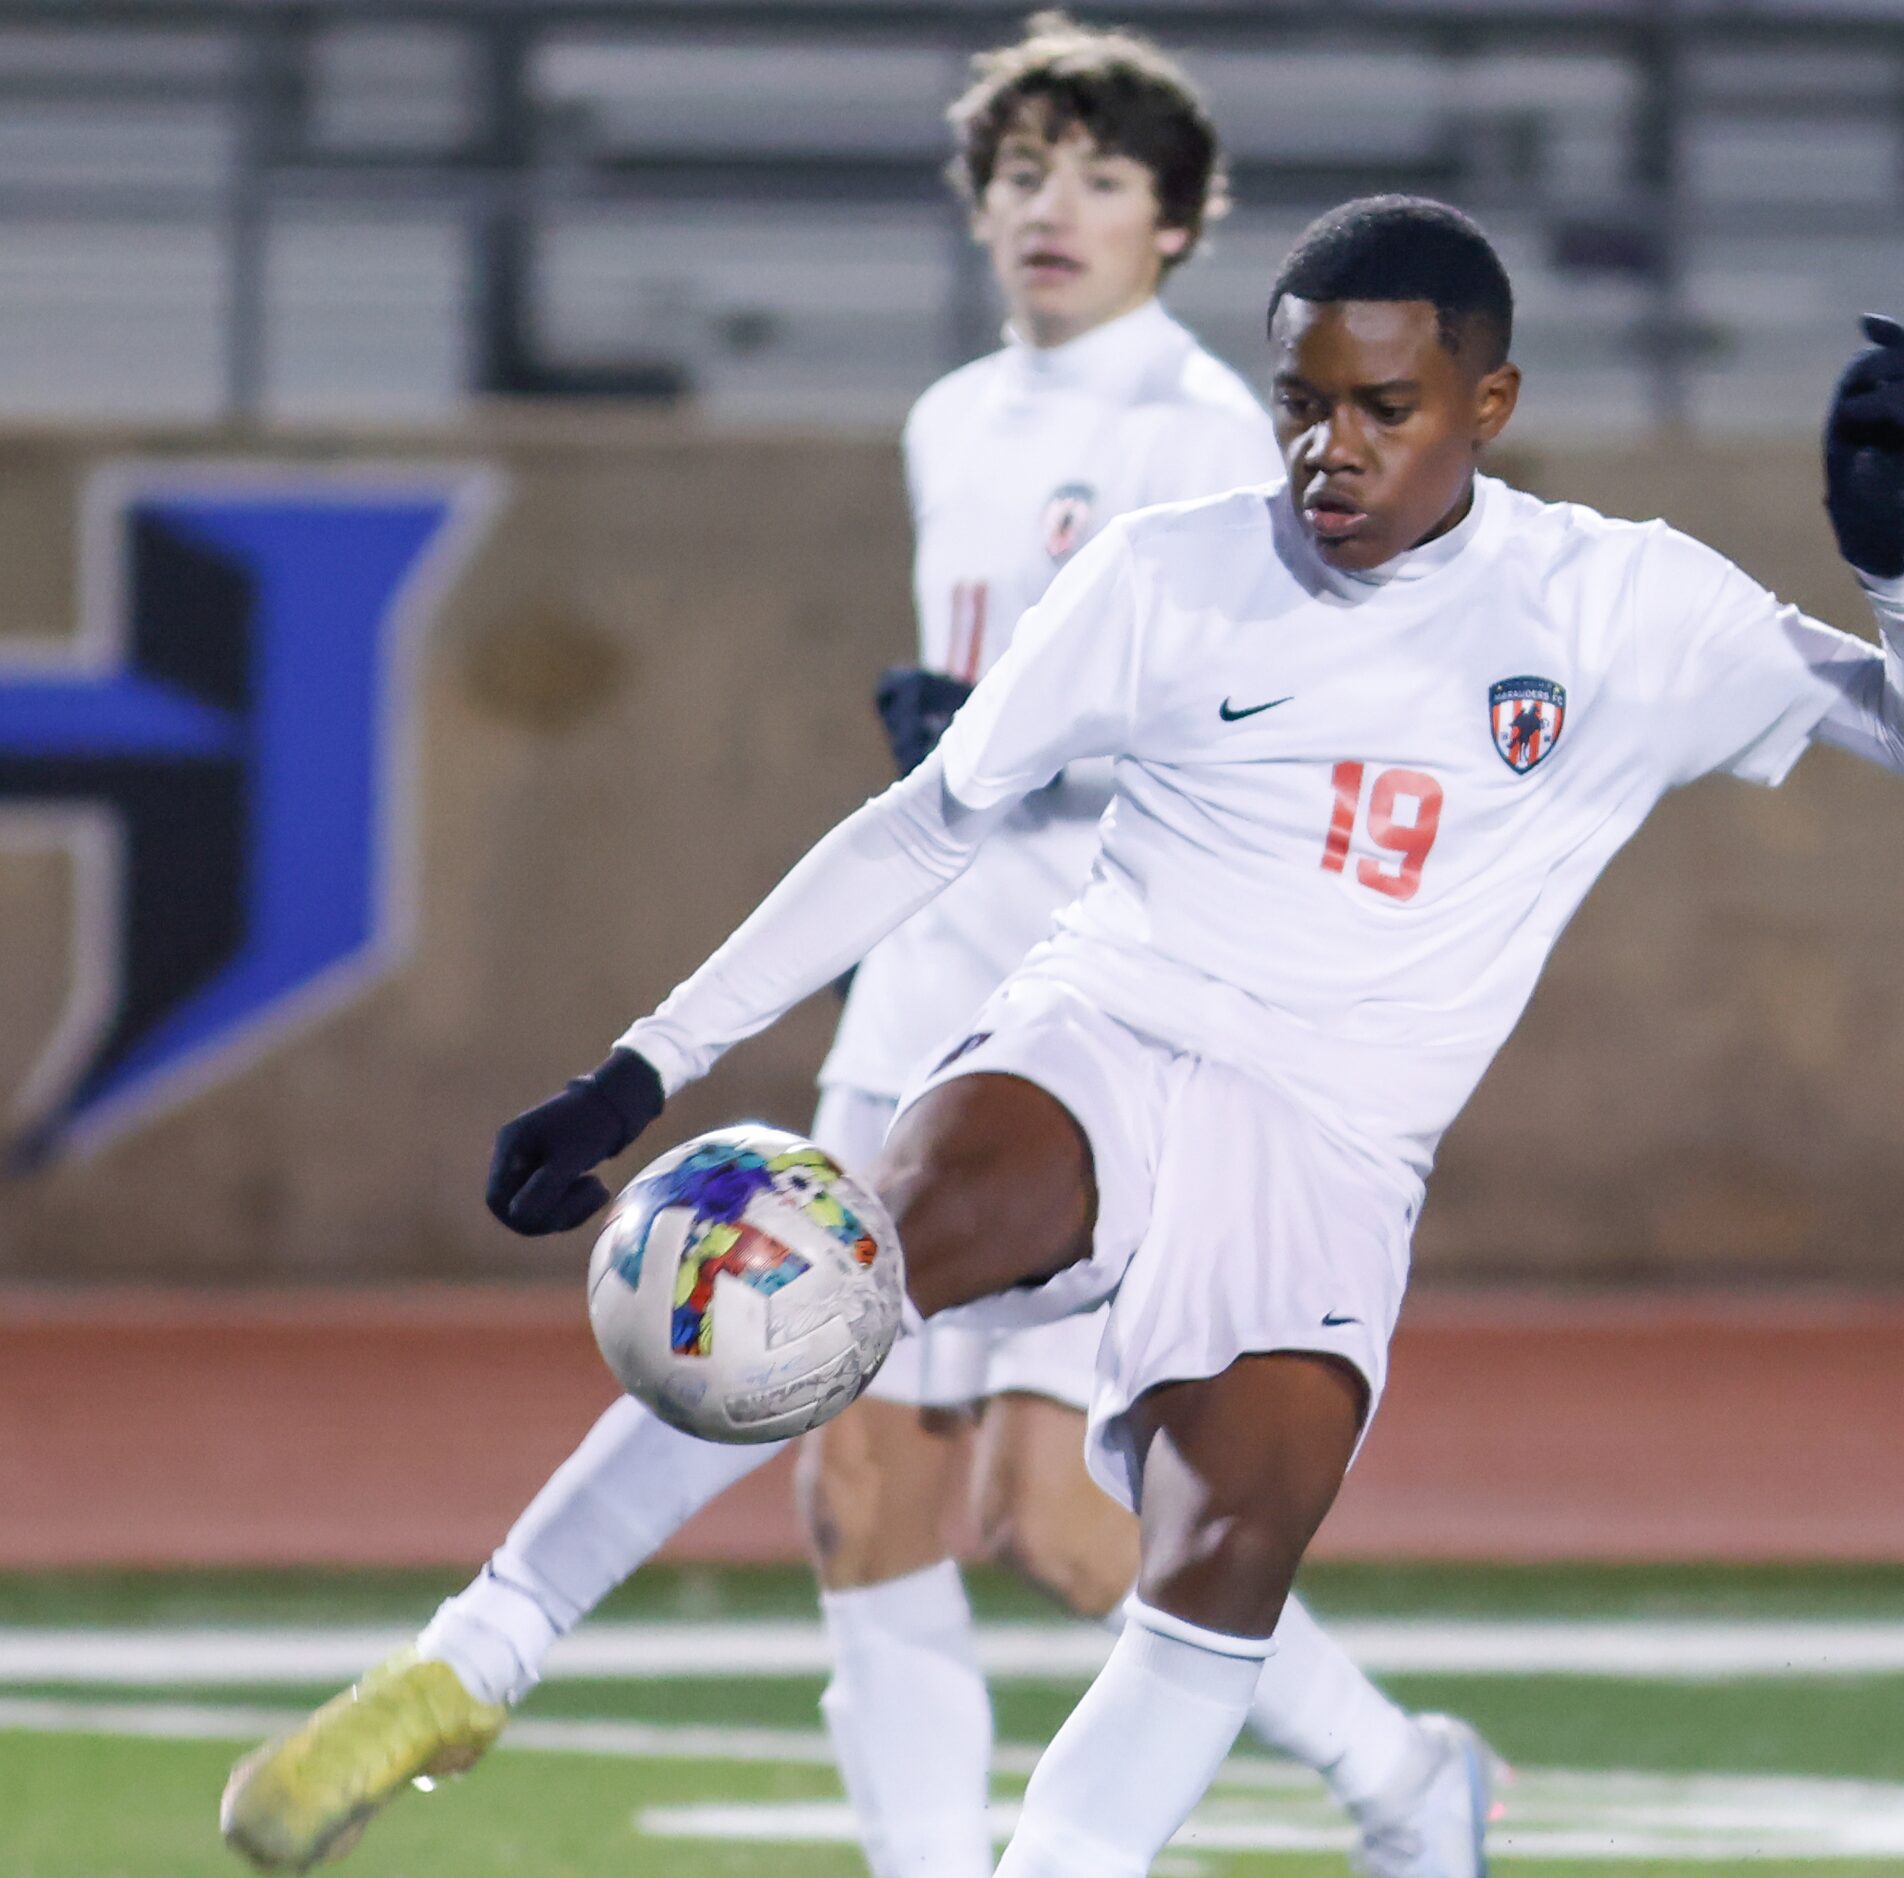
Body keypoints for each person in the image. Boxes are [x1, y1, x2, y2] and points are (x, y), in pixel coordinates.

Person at [473, 200, 1904, 1873]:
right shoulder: (1167, 572)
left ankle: (1355, 1811)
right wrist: (643, 1062)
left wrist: (1896, 560)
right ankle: (488, 1638)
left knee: (1215, 1575)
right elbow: (926, 825)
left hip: (1335, 1151)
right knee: (833, 1267)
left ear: (1488, 405)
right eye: (1302, 403)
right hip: (1109, 1035)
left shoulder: (1623, 607)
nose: (1327, 452)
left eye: (1384, 409)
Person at [219, 26, 1492, 1878]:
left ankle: (1398, 1776)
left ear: (1179, 225)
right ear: (978, 207)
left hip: (1105, 1030)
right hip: (922, 987)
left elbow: (1273, 741)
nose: (1056, 210)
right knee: (850, 1468)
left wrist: (1017, 737)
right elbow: (951, 774)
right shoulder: (954, 421)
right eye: (1025, 173)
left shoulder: (1214, 434)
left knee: (1058, 1521)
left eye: (1106, 180)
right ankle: (503, 1661)